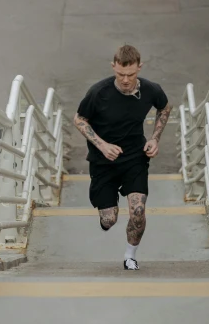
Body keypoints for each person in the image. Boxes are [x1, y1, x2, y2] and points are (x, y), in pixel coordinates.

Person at [73, 44, 172, 270]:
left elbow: (165, 108)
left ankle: (130, 256)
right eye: (120, 74)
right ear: (113, 68)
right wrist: (102, 145)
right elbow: (79, 119)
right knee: (110, 220)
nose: (125, 79)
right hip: (103, 161)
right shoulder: (98, 92)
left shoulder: (150, 90)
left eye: (130, 74)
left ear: (139, 68)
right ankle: (106, 214)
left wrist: (155, 138)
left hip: (135, 157)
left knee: (138, 210)